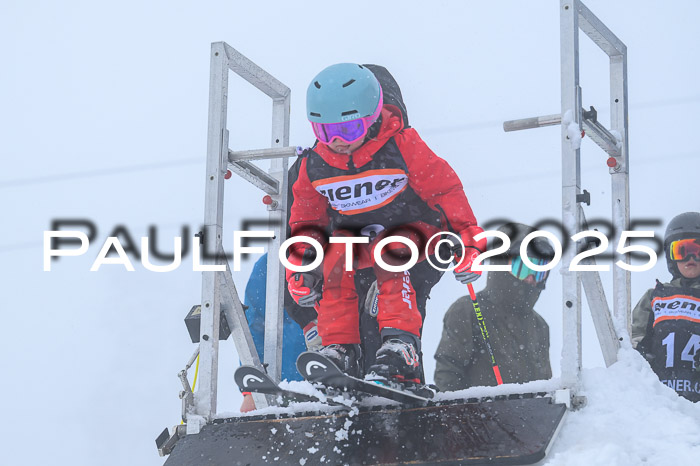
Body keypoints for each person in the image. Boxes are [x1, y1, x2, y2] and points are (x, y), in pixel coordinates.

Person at [285, 63, 485, 384]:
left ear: (371, 118)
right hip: (361, 244)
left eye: (349, 130)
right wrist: (301, 268)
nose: (338, 141)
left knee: (389, 250)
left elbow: (445, 191)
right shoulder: (316, 165)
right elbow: (306, 221)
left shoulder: (401, 146)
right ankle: (340, 348)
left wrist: (467, 241)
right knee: (336, 255)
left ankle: (400, 343)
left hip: (416, 236)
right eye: (325, 131)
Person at [434, 223, 554, 391]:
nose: (530, 279)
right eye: (522, 268)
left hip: (531, 409)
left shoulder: (539, 326)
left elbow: (546, 387)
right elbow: (448, 376)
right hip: (482, 408)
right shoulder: (468, 310)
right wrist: (472, 408)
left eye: (539, 271)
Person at [631, 212, 700, 402]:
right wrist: (642, 359)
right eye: (681, 251)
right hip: (661, 403)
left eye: (697, 250)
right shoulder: (655, 297)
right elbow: (632, 345)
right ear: (671, 256)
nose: (690, 258)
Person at [239, 253, 320, 413]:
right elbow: (253, 329)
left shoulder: (341, 254)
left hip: (330, 382)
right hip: (280, 390)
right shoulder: (269, 265)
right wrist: (251, 391)